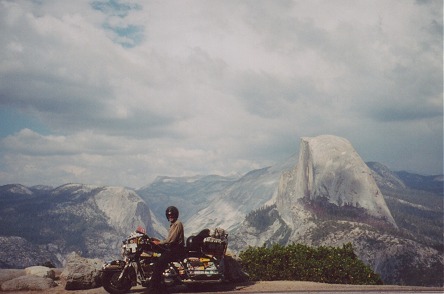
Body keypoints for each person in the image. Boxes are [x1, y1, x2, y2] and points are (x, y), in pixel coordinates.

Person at [149, 206, 185, 293]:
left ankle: (153, 289)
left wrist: (159, 243)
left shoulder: (177, 224)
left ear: (176, 215)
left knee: (159, 264)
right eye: (169, 215)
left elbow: (171, 240)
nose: (170, 217)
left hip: (176, 249)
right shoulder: (173, 224)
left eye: (172, 215)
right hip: (173, 248)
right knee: (157, 258)